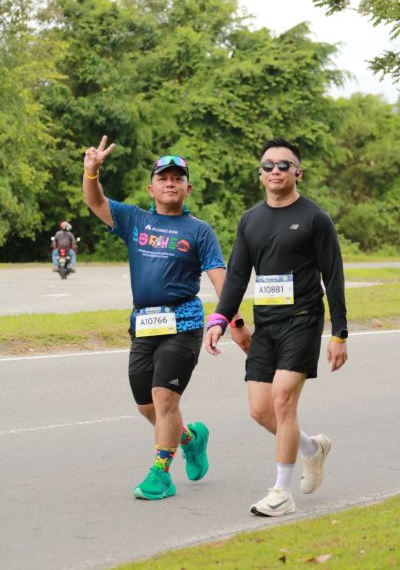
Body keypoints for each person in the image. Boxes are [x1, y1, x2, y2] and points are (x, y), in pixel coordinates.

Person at [82, 136, 250, 501]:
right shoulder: (134, 220)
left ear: (188, 189)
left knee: (164, 399)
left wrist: (234, 323)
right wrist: (91, 172)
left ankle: (160, 474)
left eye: (178, 178)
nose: (170, 183)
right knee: (147, 406)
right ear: (151, 188)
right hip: (144, 325)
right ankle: (190, 439)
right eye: (163, 178)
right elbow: (95, 202)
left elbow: (221, 280)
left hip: (184, 324)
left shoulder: (199, 231)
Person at [205, 138, 348, 517]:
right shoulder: (251, 220)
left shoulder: (315, 218)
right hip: (265, 325)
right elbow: (237, 275)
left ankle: (281, 492)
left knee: (283, 400)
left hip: (303, 320)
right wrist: (220, 319)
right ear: (260, 174)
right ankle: (312, 448)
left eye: (284, 165)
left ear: (298, 172)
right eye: (268, 165)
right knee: (260, 410)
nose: (275, 171)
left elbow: (333, 276)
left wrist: (339, 333)